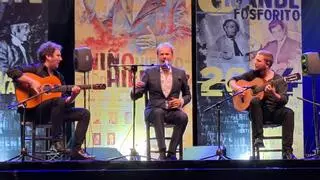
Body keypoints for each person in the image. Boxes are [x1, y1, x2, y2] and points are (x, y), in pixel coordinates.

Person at [7, 41, 94, 160]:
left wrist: (73, 95)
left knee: (84, 113)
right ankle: (56, 142)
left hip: (55, 113)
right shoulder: (34, 69)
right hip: (35, 112)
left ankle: (76, 150)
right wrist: (32, 82)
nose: (61, 59)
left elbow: (64, 102)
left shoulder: (58, 77)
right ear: (48, 56)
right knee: (57, 101)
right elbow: (11, 71)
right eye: (58, 55)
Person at [228, 50, 296, 160]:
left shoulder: (279, 80)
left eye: (258, 61)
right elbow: (232, 80)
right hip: (256, 114)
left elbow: (284, 99)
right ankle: (258, 138)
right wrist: (239, 89)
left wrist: (274, 93)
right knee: (255, 101)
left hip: (273, 112)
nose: (255, 62)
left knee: (289, 112)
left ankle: (287, 151)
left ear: (267, 64)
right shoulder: (252, 74)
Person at [131, 42, 191, 160]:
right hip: (153, 111)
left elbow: (188, 95)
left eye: (167, 54)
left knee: (183, 117)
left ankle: (172, 153)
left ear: (172, 56)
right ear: (158, 56)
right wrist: (135, 87)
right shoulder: (149, 72)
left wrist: (181, 101)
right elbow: (136, 95)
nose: (164, 57)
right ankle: (162, 152)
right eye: (162, 54)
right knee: (158, 112)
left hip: (172, 111)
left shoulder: (180, 73)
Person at [81, 0, 191, 51]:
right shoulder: (116, 2)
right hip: (121, 67)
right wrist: (91, 14)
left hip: (152, 65)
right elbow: (106, 34)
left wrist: (158, 41)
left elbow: (185, 34)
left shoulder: (174, 1)